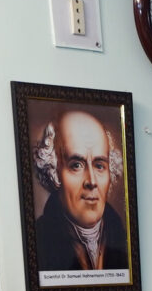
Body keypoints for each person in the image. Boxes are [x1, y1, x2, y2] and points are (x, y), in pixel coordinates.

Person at [29, 107, 128, 275]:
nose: (91, 181)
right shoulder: (39, 240)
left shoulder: (123, 239)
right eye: (76, 165)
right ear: (54, 171)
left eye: (99, 166)